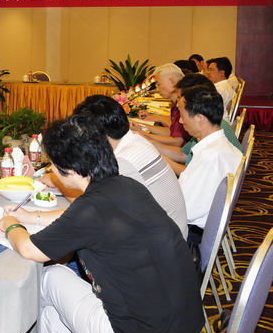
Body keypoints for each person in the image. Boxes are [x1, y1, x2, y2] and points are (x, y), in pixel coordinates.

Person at [0, 116, 202, 333]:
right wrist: (32, 216)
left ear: (71, 169)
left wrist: (10, 224)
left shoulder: (90, 208)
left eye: (53, 164)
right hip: (187, 330)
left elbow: (29, 249)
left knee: (50, 277)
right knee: (53, 316)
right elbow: (82, 220)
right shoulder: (128, 186)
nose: (52, 170)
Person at [72, 95, 188, 238]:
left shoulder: (124, 161)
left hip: (160, 244)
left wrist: (63, 180)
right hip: (170, 235)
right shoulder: (135, 140)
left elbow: (92, 208)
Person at [177, 85, 243, 242]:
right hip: (198, 224)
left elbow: (186, 210)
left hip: (189, 234)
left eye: (182, 115)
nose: (180, 120)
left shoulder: (210, 157)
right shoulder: (221, 147)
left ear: (200, 118)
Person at [151, 73, 242, 176]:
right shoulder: (206, 128)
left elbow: (190, 174)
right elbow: (183, 154)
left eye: (180, 97)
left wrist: (158, 157)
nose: (177, 103)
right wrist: (149, 143)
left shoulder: (212, 135)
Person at [132, 63, 190, 148]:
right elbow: (171, 132)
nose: (157, 89)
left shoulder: (185, 103)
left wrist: (144, 135)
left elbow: (177, 142)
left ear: (172, 81)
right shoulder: (175, 104)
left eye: (158, 84)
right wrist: (142, 126)